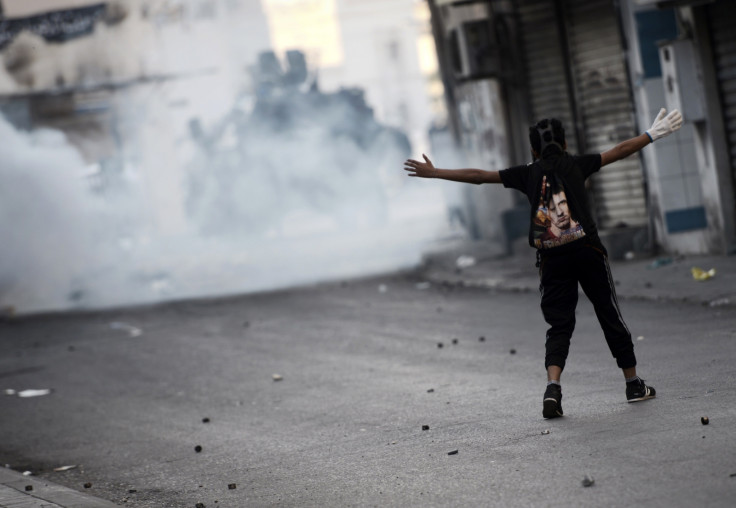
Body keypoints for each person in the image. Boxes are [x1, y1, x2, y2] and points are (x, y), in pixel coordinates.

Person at [404, 108, 683, 418]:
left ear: (533, 150)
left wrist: (436, 172)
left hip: (552, 260)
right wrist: (651, 135)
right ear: (564, 144)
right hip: (588, 251)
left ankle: (553, 387)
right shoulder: (577, 164)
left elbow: (480, 177)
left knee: (559, 325)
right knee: (608, 313)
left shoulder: (527, 173)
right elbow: (618, 151)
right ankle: (633, 384)